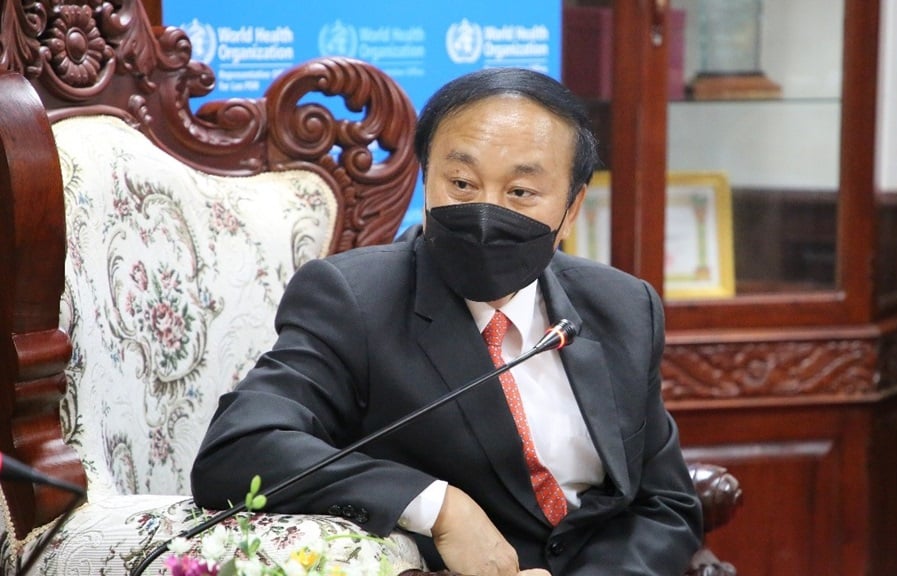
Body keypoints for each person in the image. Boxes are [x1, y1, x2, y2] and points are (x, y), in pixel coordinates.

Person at [192, 67, 703, 575]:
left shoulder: (623, 305)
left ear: (572, 209)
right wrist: (437, 506)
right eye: (461, 183)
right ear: (425, 178)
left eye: (521, 192)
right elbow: (240, 447)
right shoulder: (354, 299)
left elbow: (665, 504)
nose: (485, 213)